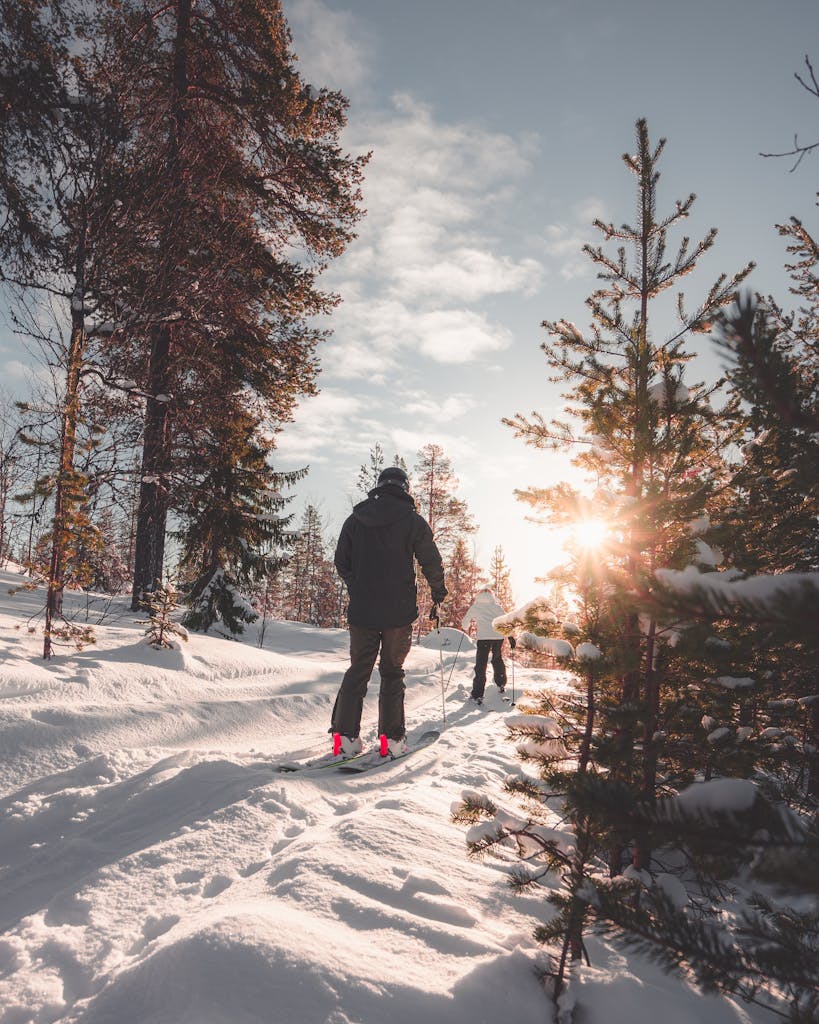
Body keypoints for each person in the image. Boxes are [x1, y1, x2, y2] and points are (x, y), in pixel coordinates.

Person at [331, 465, 447, 758]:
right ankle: (391, 741)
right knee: (392, 672)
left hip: (362, 611)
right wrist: (438, 594)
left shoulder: (355, 520)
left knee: (358, 670)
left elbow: (341, 561)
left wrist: (357, 585)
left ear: (380, 486)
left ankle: (344, 739)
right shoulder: (412, 521)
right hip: (398, 613)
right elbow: (431, 561)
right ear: (405, 488)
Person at [461, 587, 515, 704]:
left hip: (484, 638)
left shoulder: (476, 607)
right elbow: (506, 622)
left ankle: (477, 694)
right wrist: (510, 636)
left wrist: (466, 627)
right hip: (498, 637)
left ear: (479, 595)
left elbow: (465, 623)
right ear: (491, 596)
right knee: (497, 659)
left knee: (481, 664)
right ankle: (501, 683)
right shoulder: (497, 607)